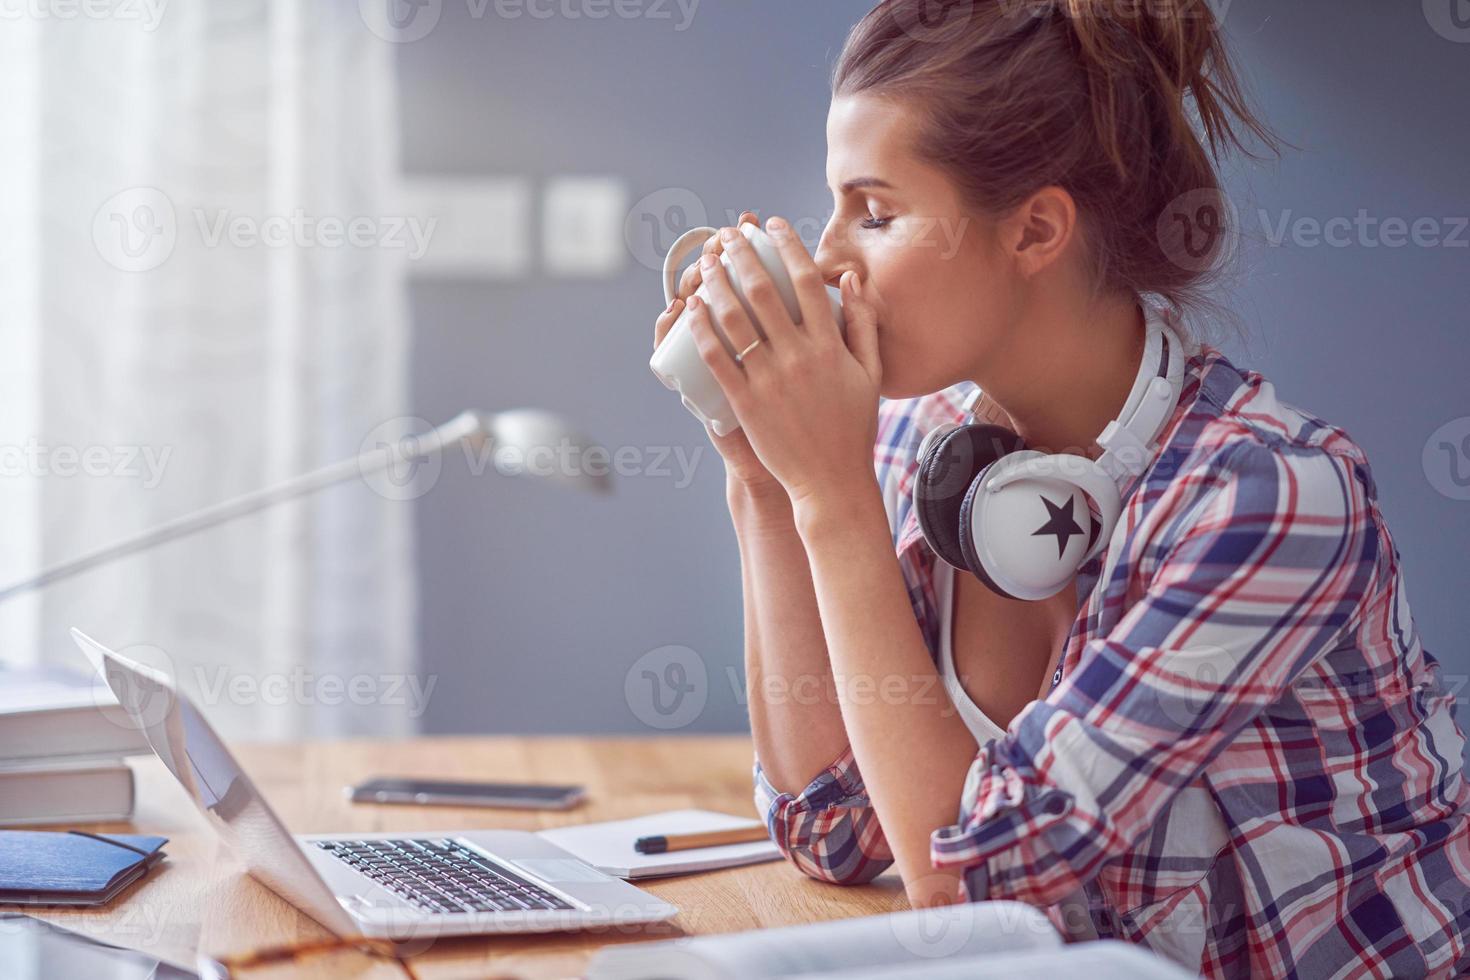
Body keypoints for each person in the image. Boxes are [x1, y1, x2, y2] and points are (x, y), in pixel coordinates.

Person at [649, 1, 1470, 976]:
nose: (827, 257)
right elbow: (830, 824)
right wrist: (766, 483)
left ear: (1034, 229)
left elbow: (966, 899)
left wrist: (831, 494)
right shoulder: (922, 442)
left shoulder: (1270, 497)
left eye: (875, 212)